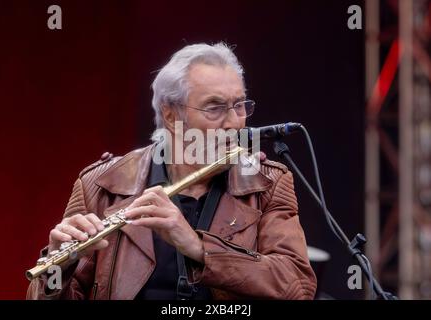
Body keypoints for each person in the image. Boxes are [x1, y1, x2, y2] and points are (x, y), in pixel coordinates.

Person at [26, 43, 317, 300]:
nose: (234, 123)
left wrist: (198, 247)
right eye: (215, 108)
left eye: (239, 105)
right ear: (170, 113)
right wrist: (58, 269)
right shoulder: (101, 184)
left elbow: (297, 286)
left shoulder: (267, 183)